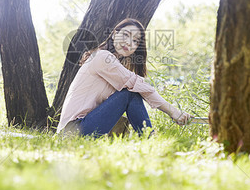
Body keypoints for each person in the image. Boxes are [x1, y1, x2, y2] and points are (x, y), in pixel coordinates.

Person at [56, 18, 191, 137]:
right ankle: (149, 138)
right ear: (114, 34)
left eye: (135, 41)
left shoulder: (112, 64)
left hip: (82, 127)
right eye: (126, 35)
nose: (129, 42)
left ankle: (148, 137)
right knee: (130, 94)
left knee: (131, 92)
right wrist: (173, 111)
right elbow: (138, 85)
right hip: (73, 130)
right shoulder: (103, 57)